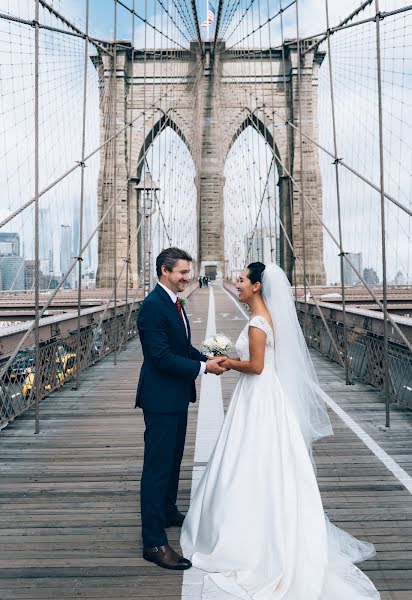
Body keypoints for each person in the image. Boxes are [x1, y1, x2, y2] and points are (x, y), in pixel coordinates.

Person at [181, 262, 380, 599]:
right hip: (262, 398)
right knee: (266, 462)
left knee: (250, 459)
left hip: (258, 397)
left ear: (257, 286)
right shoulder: (262, 319)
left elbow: (256, 367)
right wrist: (229, 355)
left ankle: (247, 536)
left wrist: (228, 362)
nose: (237, 284)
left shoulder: (258, 323)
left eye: (242, 280)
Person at [136, 247, 227, 571]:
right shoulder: (152, 307)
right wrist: (203, 371)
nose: (188, 278)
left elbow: (181, 347)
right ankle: (154, 542)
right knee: (157, 467)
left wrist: (206, 359)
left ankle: (168, 510)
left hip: (175, 395)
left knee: (173, 458)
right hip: (160, 399)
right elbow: (160, 357)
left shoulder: (174, 302)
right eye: (182, 273)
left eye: (189, 272)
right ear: (164, 271)